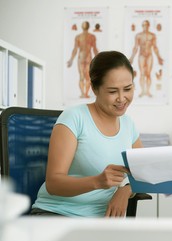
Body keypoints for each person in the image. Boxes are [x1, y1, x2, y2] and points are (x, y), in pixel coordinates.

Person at [31, 51, 142, 217]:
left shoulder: (129, 125)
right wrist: (97, 181)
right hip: (59, 214)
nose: (121, 98)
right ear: (95, 89)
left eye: (127, 89)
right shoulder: (74, 118)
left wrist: (126, 190)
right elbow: (53, 183)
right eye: (112, 91)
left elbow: (142, 172)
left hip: (102, 220)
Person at [129, 20, 164, 97]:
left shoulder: (152, 35)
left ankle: (147, 91)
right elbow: (135, 47)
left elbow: (155, 47)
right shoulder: (138, 35)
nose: (145, 26)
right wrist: (131, 58)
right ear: (142, 26)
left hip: (149, 56)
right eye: (144, 25)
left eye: (146, 25)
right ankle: (142, 91)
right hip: (141, 55)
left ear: (149, 26)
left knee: (148, 74)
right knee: (142, 73)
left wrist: (159, 57)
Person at [67, 21, 99, 98]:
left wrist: (71, 59)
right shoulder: (91, 36)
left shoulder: (80, 37)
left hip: (83, 58)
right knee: (85, 76)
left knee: (84, 76)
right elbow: (94, 49)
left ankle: (84, 94)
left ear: (82, 26)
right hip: (86, 58)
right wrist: (71, 59)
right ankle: (85, 94)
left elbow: (94, 49)